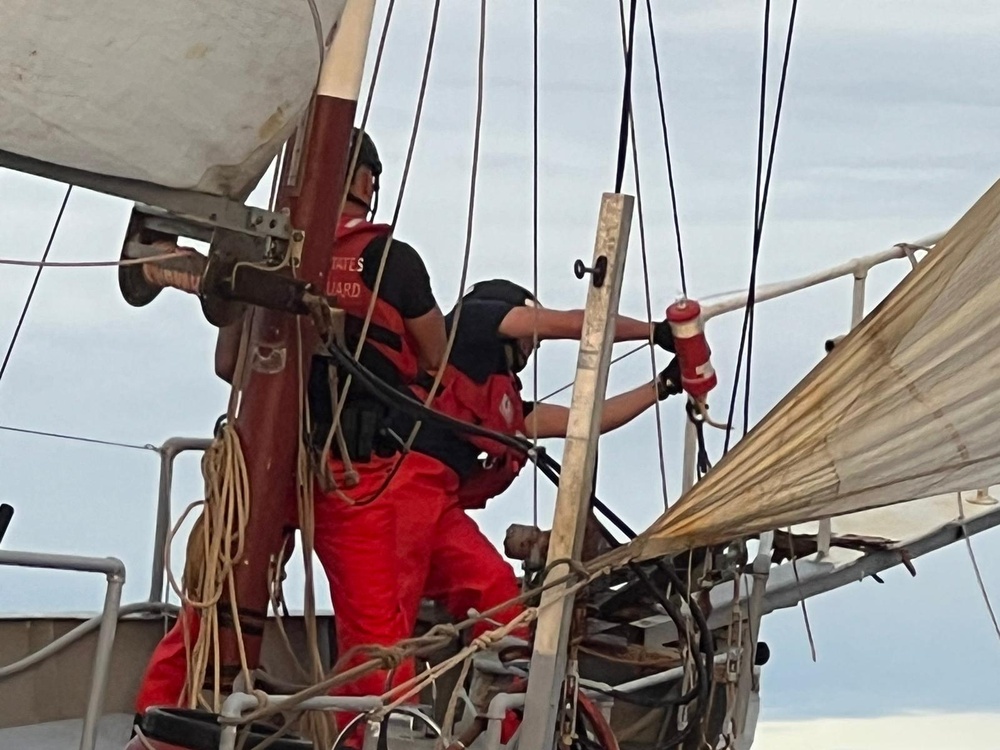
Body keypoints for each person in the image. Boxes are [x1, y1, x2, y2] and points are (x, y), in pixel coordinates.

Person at [132, 128, 450, 732]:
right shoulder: (392, 261)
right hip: (355, 475)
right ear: (363, 183)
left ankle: (157, 729)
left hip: (262, 462)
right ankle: (374, 741)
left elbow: (228, 366)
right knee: (374, 638)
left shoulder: (262, 257)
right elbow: (434, 357)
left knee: (211, 607)